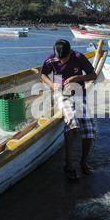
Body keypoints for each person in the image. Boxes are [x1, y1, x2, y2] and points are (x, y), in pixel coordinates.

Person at [41, 39, 97, 180]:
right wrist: (53, 84)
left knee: (89, 129)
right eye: (60, 59)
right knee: (72, 121)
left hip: (79, 94)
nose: (62, 62)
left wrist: (77, 77)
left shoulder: (78, 57)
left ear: (71, 52)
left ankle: (84, 162)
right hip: (61, 95)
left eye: (65, 59)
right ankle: (69, 162)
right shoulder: (50, 60)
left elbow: (93, 75)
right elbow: (43, 75)